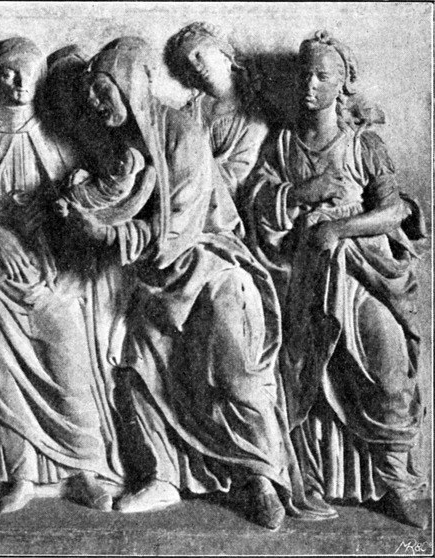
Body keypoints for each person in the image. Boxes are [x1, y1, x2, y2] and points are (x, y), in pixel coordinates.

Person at [64, 37, 334, 531]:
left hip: (212, 266)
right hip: (157, 279)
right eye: (92, 97)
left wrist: (105, 234)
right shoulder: (125, 143)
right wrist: (79, 207)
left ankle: (262, 476)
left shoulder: (182, 132)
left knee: (235, 370)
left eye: (104, 91)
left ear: (131, 85)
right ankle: (162, 475)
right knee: (136, 361)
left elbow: (181, 225)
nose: (98, 104)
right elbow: (119, 202)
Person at [243, 30, 428, 529]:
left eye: (322, 76)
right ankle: (316, 478)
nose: (310, 84)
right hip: (305, 277)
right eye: (304, 74)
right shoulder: (282, 144)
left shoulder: (364, 144)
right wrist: (303, 192)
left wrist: (339, 227)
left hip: (365, 273)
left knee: (388, 367)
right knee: (304, 377)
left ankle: (397, 482)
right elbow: (256, 203)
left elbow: (394, 211)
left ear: (343, 83)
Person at [0, 37, 126, 513]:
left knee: (71, 368)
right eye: (8, 74)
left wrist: (52, 217)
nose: (19, 84)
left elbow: (86, 204)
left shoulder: (55, 140)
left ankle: (84, 470)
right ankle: (21, 474)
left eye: (28, 75)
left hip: (52, 280)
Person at [164, 22, 268, 197]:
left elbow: (239, 173)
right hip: (189, 192)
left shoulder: (253, 112)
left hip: (224, 198)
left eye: (198, 55)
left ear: (223, 53)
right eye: (187, 64)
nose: (195, 65)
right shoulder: (190, 111)